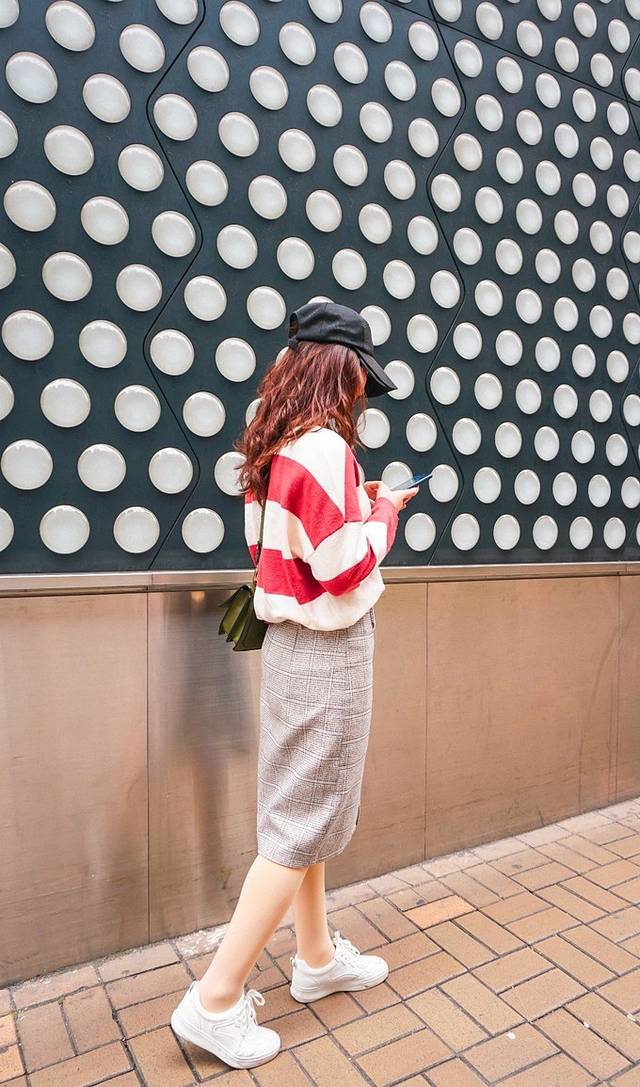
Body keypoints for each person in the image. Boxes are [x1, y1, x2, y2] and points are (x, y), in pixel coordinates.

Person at [171, 300, 419, 1069]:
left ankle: (315, 956)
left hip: (288, 646)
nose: (361, 393)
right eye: (359, 377)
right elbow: (344, 565)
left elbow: (277, 549)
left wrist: (355, 506)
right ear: (338, 371)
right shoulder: (327, 450)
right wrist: (385, 510)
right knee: (300, 823)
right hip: (329, 648)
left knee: (304, 811)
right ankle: (215, 1000)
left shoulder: (271, 447)